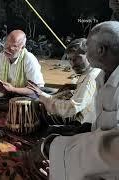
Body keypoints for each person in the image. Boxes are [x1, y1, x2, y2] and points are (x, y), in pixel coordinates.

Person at [42, 21, 119, 180]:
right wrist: (83, 130)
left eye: (87, 46)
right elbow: (102, 128)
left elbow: (113, 150)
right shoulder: (102, 76)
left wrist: (54, 147)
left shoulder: (95, 77)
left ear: (100, 50)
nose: (85, 48)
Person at [27, 38, 103, 124]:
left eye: (76, 58)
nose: (72, 64)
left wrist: (43, 96)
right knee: (48, 93)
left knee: (38, 113)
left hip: (85, 123)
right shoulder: (93, 70)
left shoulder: (91, 77)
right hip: (85, 116)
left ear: (89, 54)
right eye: (70, 59)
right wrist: (74, 87)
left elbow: (72, 108)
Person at [0, 30, 45, 110]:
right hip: (5, 95)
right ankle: (9, 106)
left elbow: (36, 89)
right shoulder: (1, 57)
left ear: (22, 47)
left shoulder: (29, 59)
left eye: (13, 46)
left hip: (22, 95)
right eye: (6, 44)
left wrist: (13, 89)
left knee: (29, 100)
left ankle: (1, 105)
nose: (7, 49)